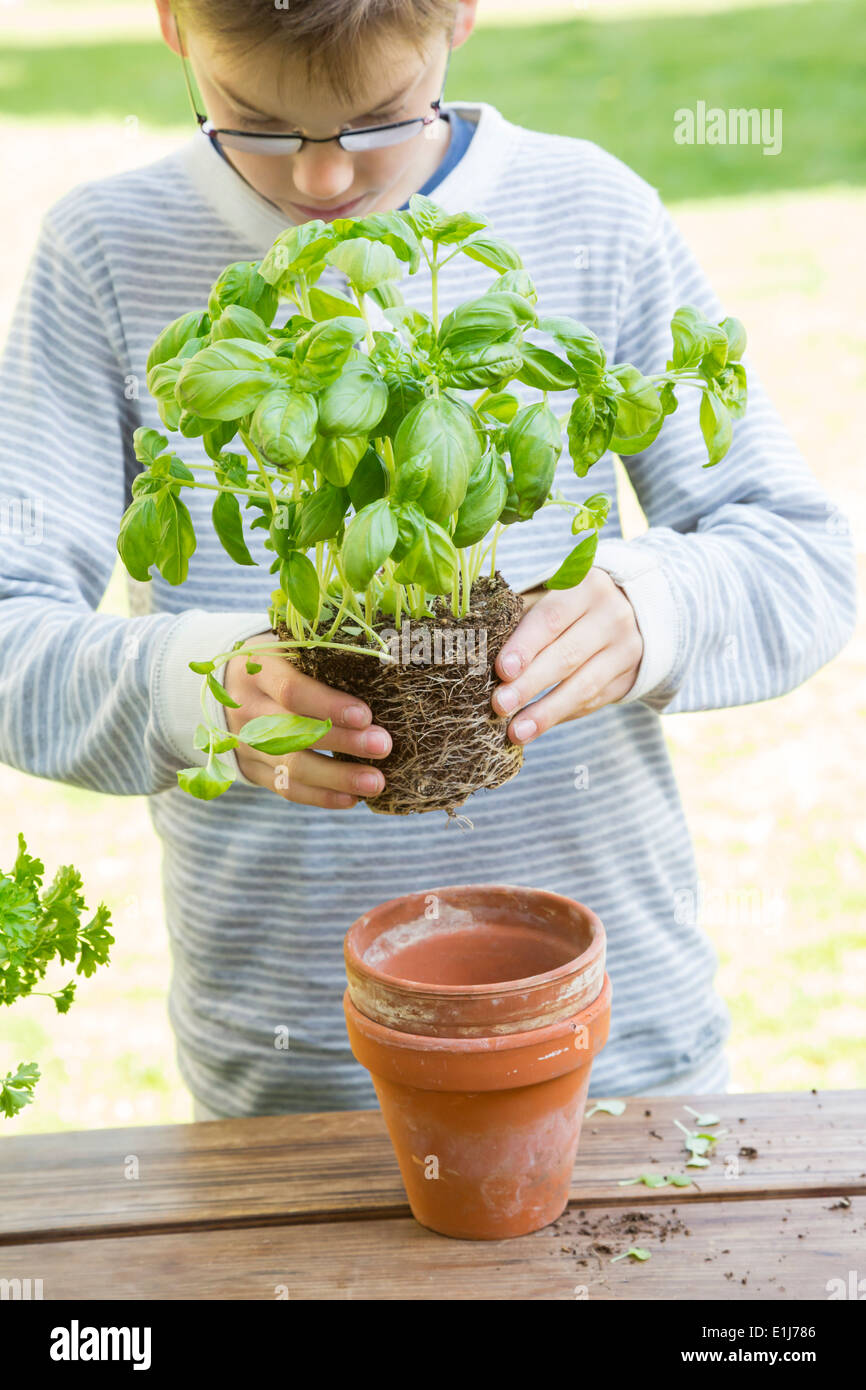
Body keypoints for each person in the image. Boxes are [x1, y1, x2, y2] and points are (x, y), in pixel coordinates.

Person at [0, 0, 855, 1120]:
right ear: (172, 26)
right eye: (252, 124)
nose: (318, 181)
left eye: (376, 121)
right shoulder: (105, 252)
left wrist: (655, 607)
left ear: (457, 16)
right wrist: (203, 685)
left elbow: (804, 556)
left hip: (610, 1038)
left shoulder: (589, 214)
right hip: (290, 1062)